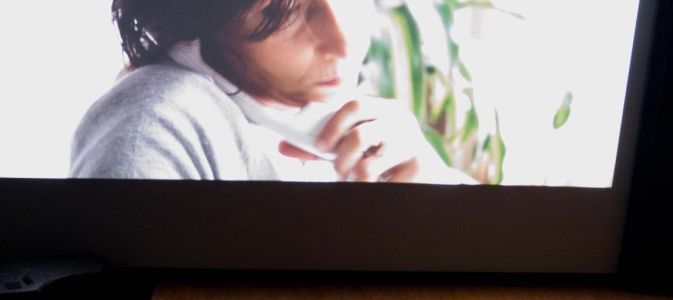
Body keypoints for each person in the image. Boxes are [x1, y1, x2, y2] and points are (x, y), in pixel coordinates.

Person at [73, 0, 470, 184]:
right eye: (282, 11)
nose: (344, 44)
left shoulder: (342, 112)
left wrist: (435, 190)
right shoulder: (155, 124)